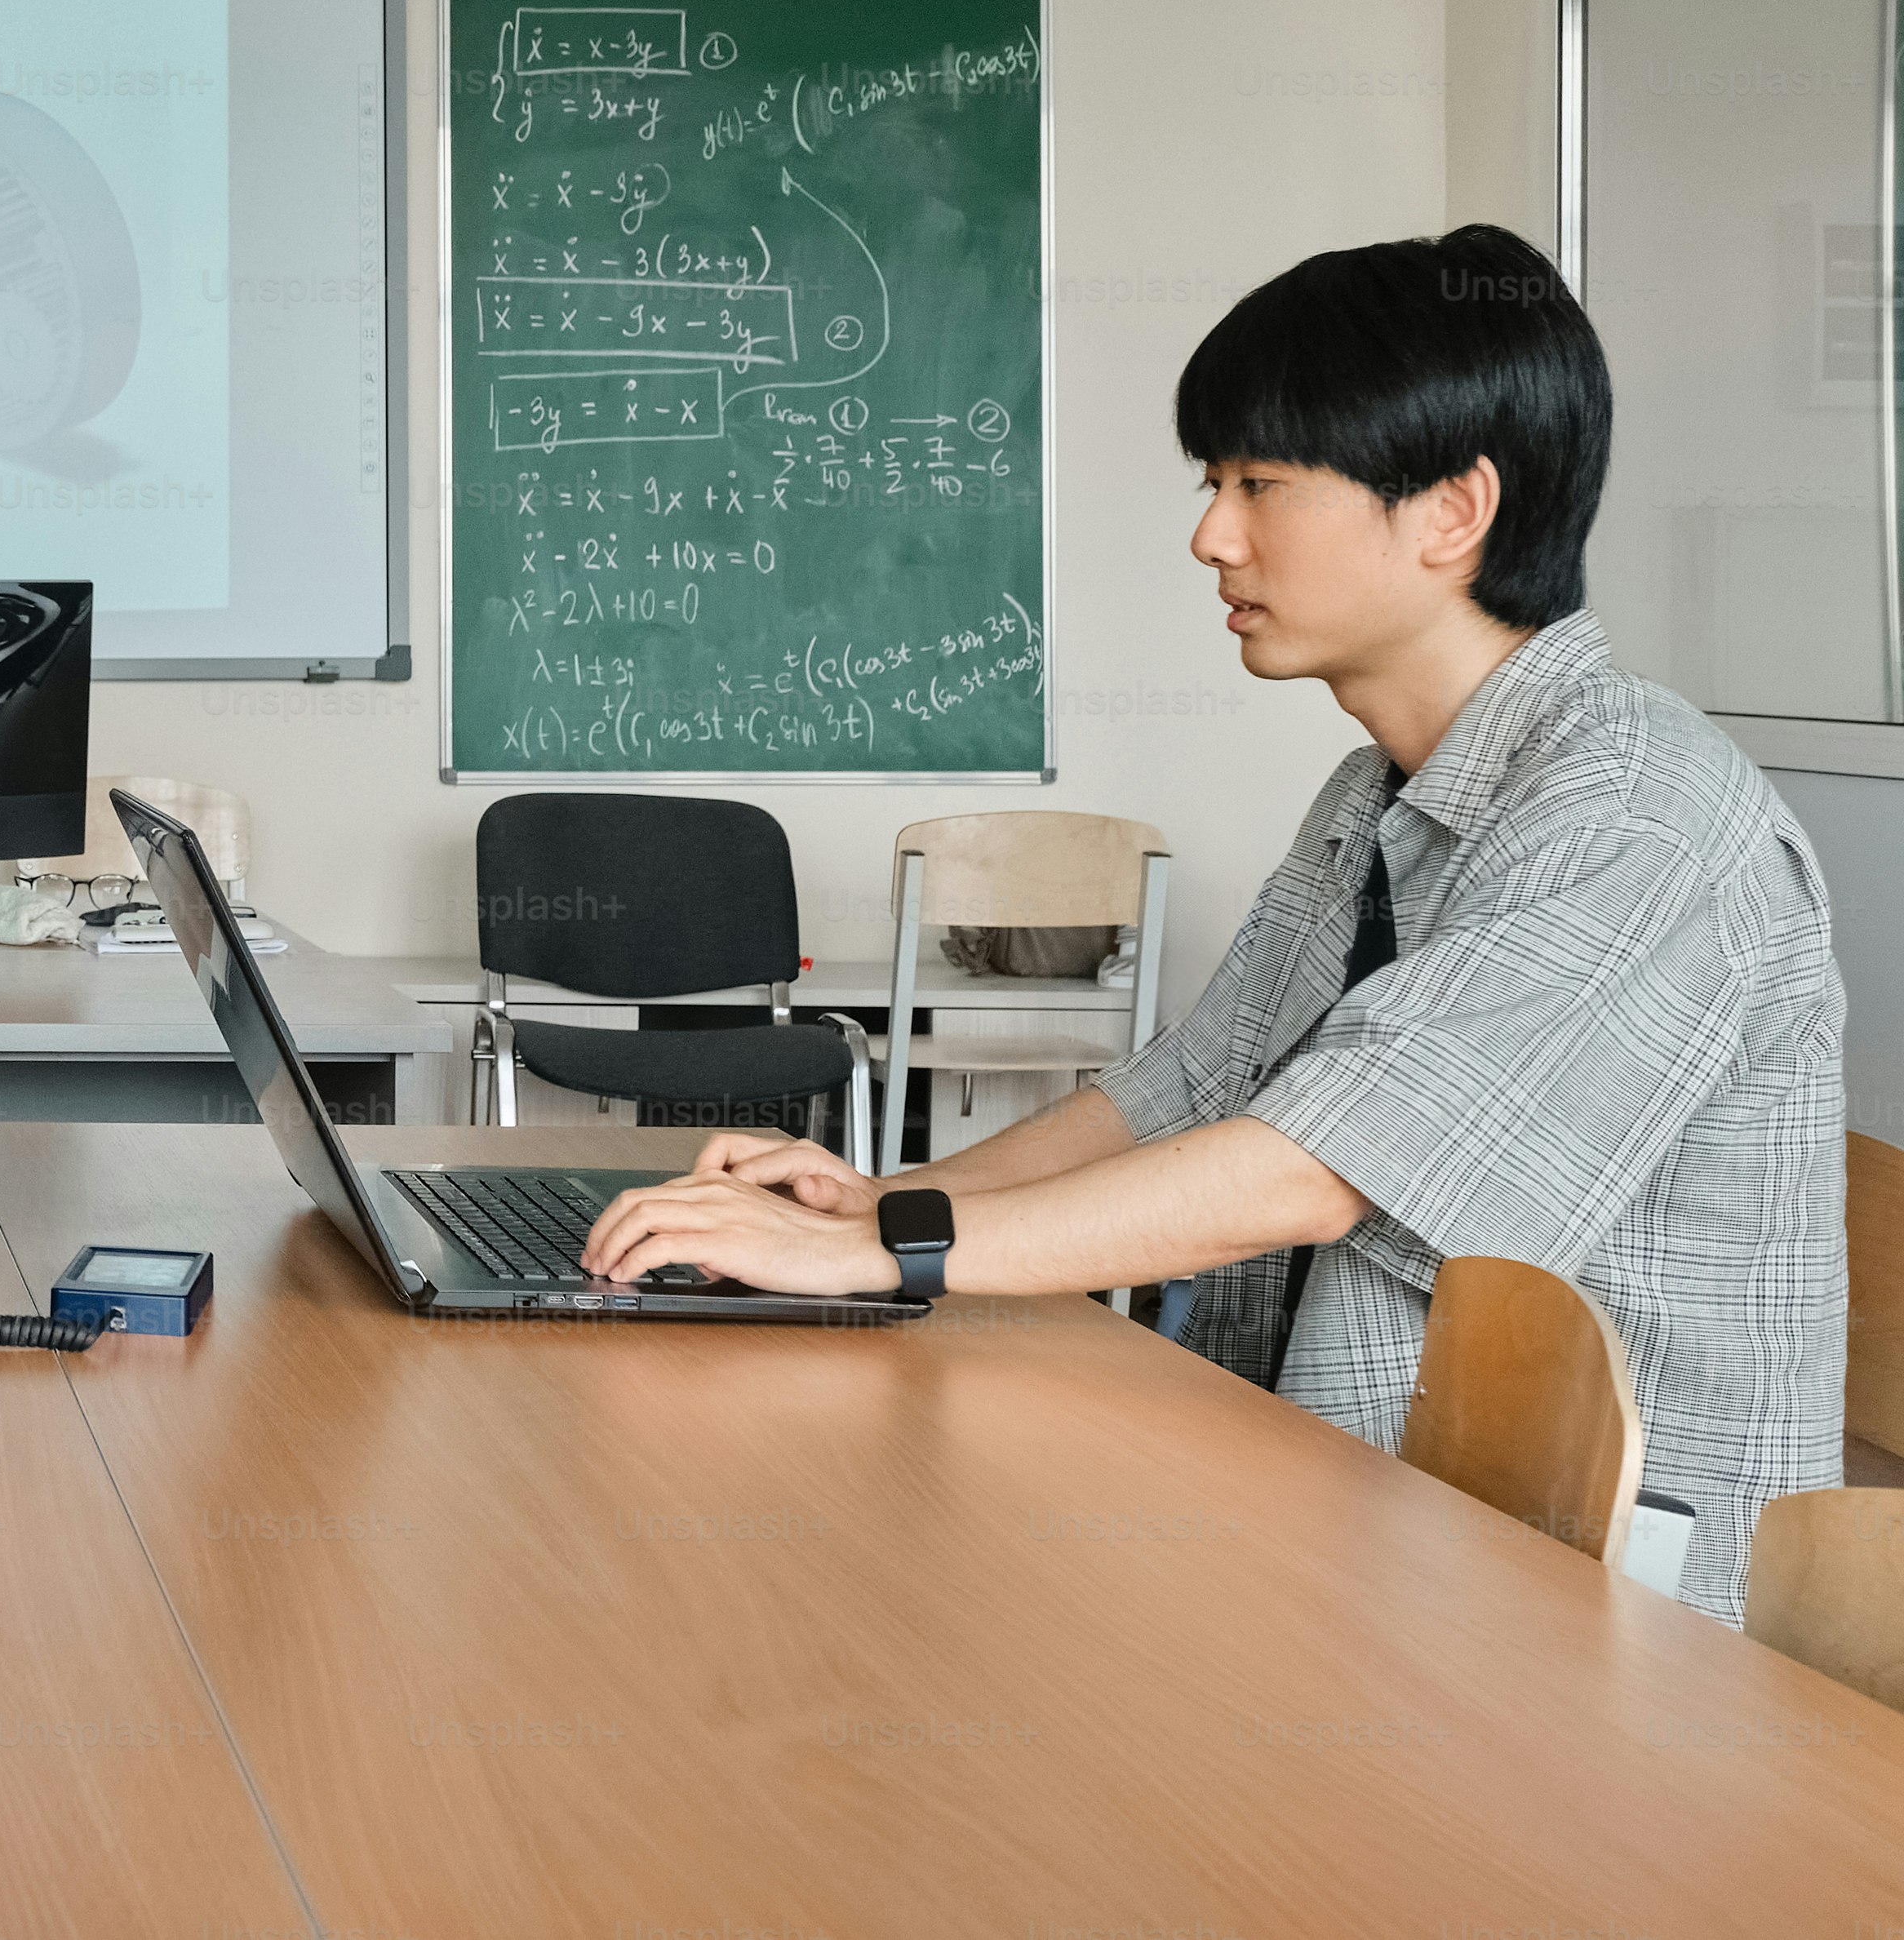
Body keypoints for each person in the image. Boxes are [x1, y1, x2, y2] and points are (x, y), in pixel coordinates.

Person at [582, 224, 1842, 1620]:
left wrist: (886, 1255)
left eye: (1261, 484)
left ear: (1450, 512)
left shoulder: (1639, 815)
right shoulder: (1379, 788)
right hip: (1357, 1517)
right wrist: (880, 1201)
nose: (1211, 534)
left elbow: (1316, 1167)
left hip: (1586, 1621)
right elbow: (1185, 1092)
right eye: (1212, 482)